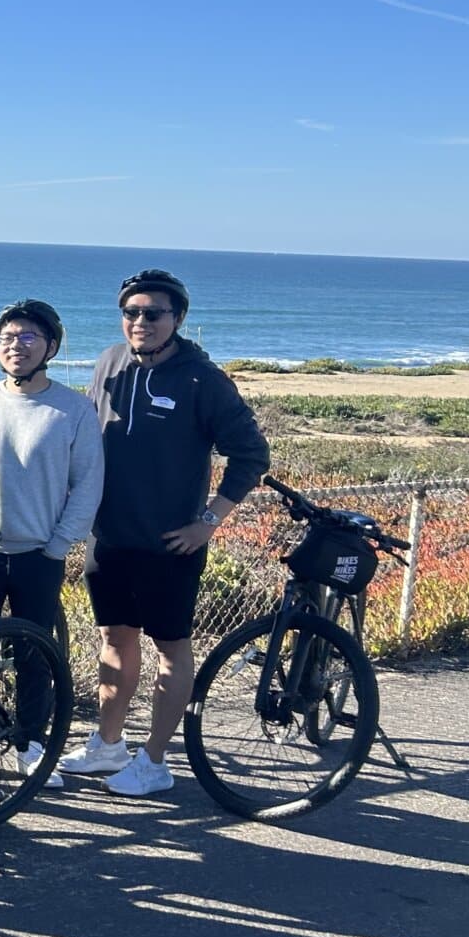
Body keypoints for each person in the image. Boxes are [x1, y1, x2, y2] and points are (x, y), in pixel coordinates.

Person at [60, 269, 269, 797]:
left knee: (171, 648)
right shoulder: (109, 362)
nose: (141, 322)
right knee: (114, 639)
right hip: (107, 538)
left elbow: (250, 456)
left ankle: (154, 761)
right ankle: (109, 745)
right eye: (131, 313)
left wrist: (209, 522)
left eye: (153, 313)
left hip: (169, 545)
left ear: (177, 319)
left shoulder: (203, 379)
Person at [0, 299, 103, 786]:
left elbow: (88, 483)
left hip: (38, 553)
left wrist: (59, 544)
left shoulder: (73, 409)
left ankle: (29, 742)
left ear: (50, 347)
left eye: (27, 338)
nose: (15, 346)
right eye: (6, 337)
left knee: (34, 654)